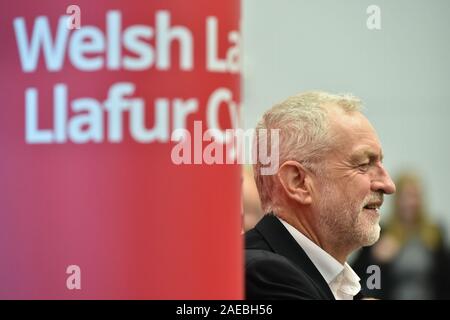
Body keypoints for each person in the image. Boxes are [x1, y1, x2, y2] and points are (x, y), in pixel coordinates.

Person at [245, 91, 396, 300]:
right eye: (363, 165)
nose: (388, 185)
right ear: (298, 182)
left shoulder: (328, 279)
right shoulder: (264, 275)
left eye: (380, 163)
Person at [352, 172, 450, 299]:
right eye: (406, 197)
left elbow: (445, 281)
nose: (411, 203)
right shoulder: (381, 232)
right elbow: (369, 285)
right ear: (397, 200)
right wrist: (376, 261)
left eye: (415, 196)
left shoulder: (434, 233)